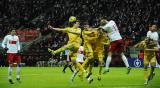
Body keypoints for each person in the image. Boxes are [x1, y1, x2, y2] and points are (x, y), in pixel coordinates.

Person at [48, 16, 85, 81]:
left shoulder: (79, 29)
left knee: (66, 46)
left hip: (76, 46)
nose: (78, 25)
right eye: (77, 23)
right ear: (74, 24)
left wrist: (70, 31)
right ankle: (77, 76)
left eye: (78, 24)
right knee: (75, 64)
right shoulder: (68, 29)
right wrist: (52, 28)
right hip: (72, 49)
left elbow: (78, 33)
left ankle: (55, 52)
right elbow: (60, 29)